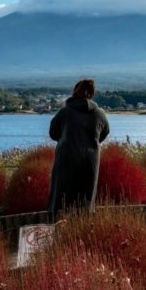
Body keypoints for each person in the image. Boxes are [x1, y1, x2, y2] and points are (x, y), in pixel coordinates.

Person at [47, 79, 110, 216]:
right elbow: (104, 133)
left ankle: (58, 228)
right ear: (92, 94)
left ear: (75, 92)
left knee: (61, 199)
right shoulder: (99, 114)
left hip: (66, 160)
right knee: (85, 202)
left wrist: (64, 140)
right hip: (90, 161)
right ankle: (82, 229)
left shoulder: (65, 112)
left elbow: (53, 132)